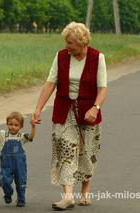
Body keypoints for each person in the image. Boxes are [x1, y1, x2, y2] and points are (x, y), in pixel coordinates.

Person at [31, 22, 107, 210]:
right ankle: (67, 196)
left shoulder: (98, 58)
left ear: (82, 43)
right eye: (66, 42)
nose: (67, 46)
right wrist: (38, 108)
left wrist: (95, 107)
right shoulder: (61, 56)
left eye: (71, 43)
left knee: (86, 153)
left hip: (88, 112)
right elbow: (49, 84)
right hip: (65, 111)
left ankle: (85, 191)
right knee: (66, 150)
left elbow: (102, 88)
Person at [0, 111, 36, 207]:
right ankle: (8, 194)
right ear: (7, 124)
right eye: (10, 124)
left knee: (21, 182)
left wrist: (33, 127)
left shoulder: (21, 137)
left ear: (21, 126)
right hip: (6, 165)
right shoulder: (3, 135)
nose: (13, 127)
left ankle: (21, 200)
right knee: (4, 181)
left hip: (19, 165)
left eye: (16, 125)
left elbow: (31, 136)